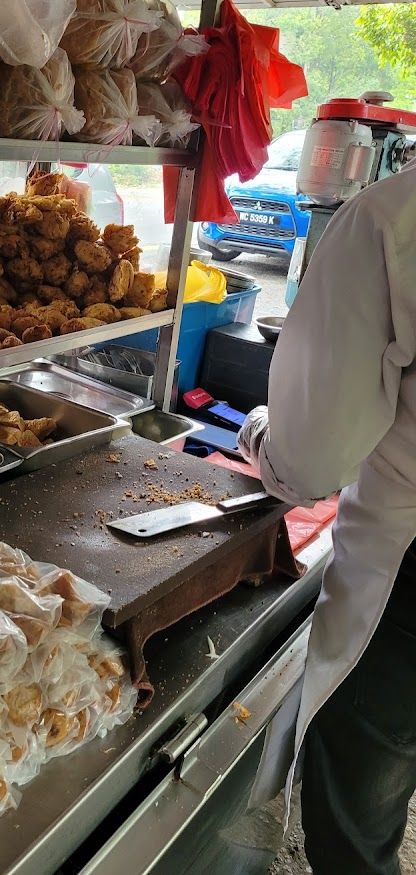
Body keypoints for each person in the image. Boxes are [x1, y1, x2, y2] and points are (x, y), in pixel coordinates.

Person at [238, 159, 416, 875]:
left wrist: (260, 433)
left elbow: (310, 465)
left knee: (357, 821)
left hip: (405, 582)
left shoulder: (390, 218)